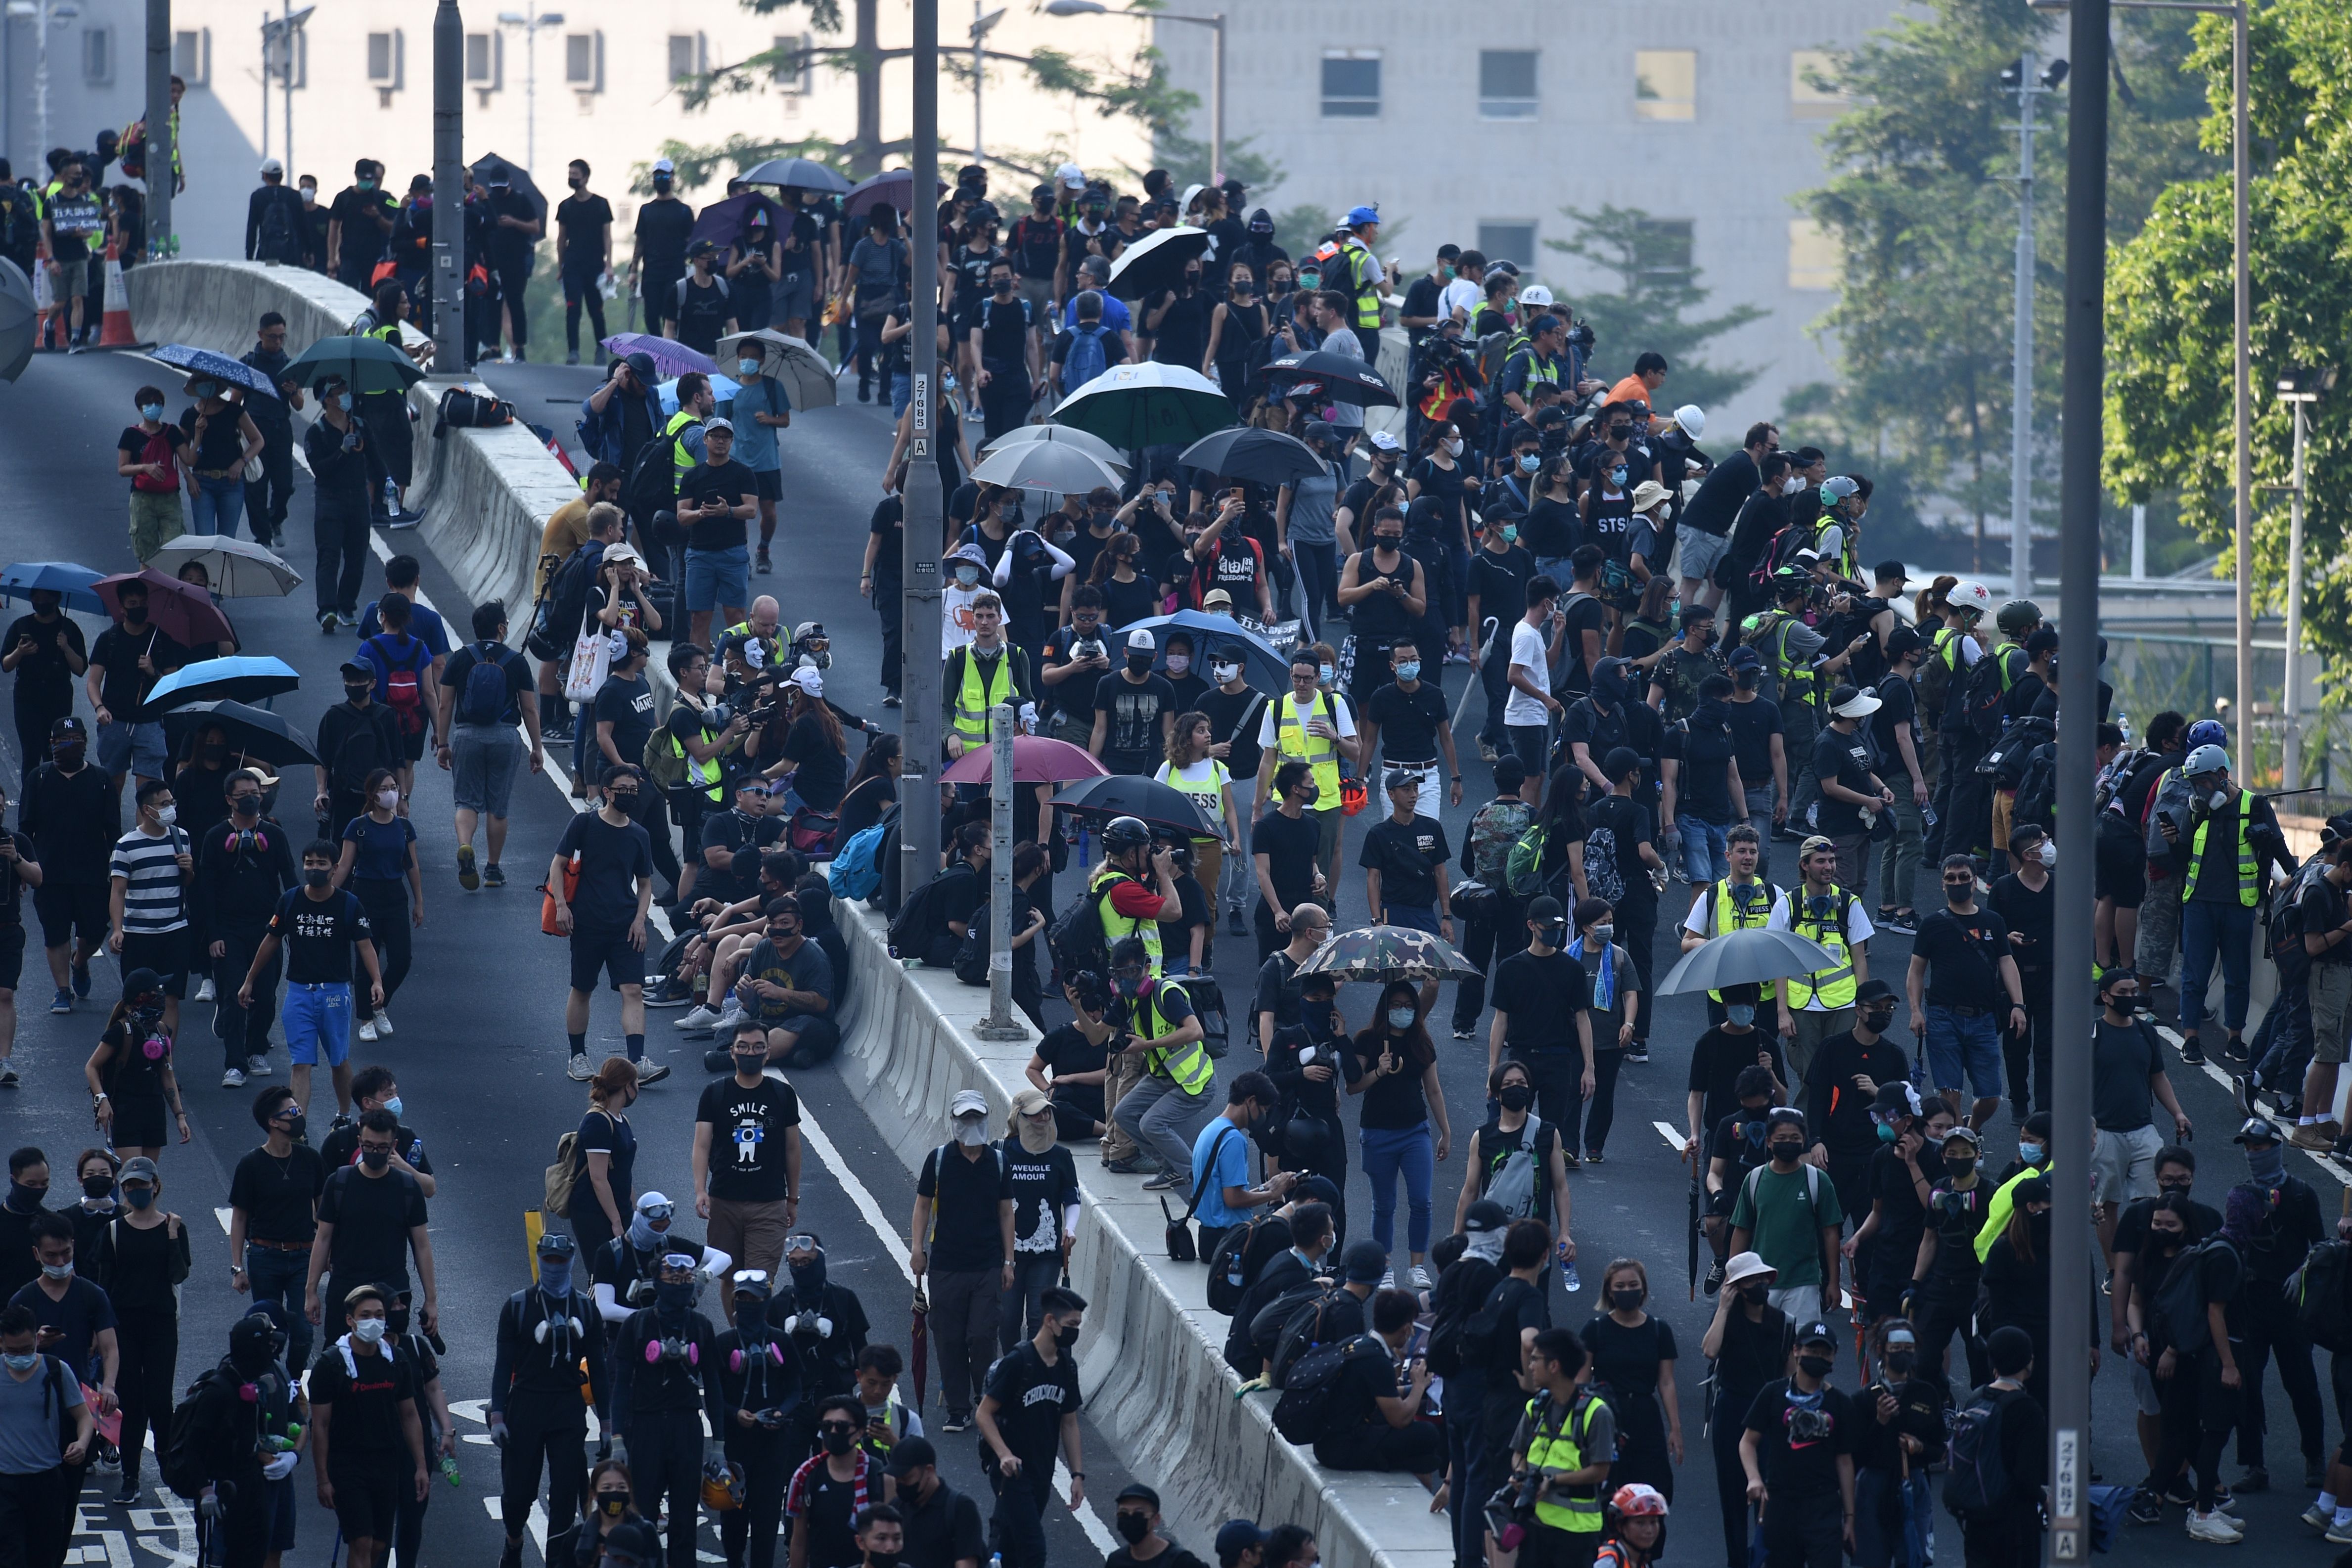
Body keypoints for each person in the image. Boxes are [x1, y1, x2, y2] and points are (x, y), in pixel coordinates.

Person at [240, 837, 381, 1119]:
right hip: (299, 993)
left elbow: (365, 944)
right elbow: (271, 940)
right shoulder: (290, 900)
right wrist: (250, 979)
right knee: (300, 1063)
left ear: (334, 868)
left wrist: (376, 981)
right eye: (309, 863)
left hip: (334, 994)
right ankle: (298, 1122)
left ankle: (343, 1115)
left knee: (338, 1061)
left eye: (321, 863)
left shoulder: (349, 904)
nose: (314, 868)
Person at [491, 1231, 608, 1568]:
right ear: (540, 1260)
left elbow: (599, 1371)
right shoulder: (517, 1306)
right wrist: (498, 1415)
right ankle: (514, 1541)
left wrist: (606, 1424)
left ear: (571, 1261)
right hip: (525, 1406)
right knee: (517, 1494)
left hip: (567, 1407)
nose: (555, 1266)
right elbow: (503, 1366)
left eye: (561, 1260)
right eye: (549, 1260)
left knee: (564, 1494)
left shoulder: (586, 1309)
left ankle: (556, 1562)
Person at [910, 1091, 1016, 1434]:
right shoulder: (939, 1160)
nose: (971, 1124)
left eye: (976, 1118)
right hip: (946, 1264)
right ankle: (958, 1407)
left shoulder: (998, 1162)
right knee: (949, 1337)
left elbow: (1005, 1212)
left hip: (987, 1263)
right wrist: (916, 1248)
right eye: (965, 1118)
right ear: (954, 1121)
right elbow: (923, 1205)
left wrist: (1009, 1260)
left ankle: (985, 1398)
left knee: (983, 1334)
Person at [611, 1251, 724, 1568]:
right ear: (657, 1285)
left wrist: (719, 1445)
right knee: (643, 1515)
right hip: (645, 1428)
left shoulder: (701, 1326)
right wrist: (618, 1439)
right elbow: (620, 1387)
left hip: (687, 1427)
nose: (681, 1286)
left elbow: (714, 1388)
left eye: (687, 1280)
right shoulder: (637, 1324)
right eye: (674, 1280)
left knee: (685, 1518)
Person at [85, 1155, 185, 1502]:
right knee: (129, 1401)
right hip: (123, 1325)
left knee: (160, 1398)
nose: (136, 1190)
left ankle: (170, 1466)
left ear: (156, 1185)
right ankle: (130, 1475)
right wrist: (99, 1331)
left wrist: (172, 1236)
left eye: (142, 1184)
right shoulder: (112, 1230)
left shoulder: (174, 1225)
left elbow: (178, 1274)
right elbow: (104, 1286)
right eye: (130, 1185)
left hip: (160, 1323)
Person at [308, 1284, 429, 1568]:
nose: (373, 1321)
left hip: (387, 1463)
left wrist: (421, 1466)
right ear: (350, 1321)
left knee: (378, 1544)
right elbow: (321, 1426)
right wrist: (323, 1478)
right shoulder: (331, 1366)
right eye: (365, 1315)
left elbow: (410, 1416)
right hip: (348, 1464)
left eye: (379, 1314)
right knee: (361, 1541)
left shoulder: (397, 1361)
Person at [552, 767, 660, 1081]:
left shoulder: (640, 835)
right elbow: (558, 865)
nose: (630, 794)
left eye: (634, 789)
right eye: (623, 788)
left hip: (625, 926)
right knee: (582, 989)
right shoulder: (584, 824)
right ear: (608, 792)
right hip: (587, 923)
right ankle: (577, 1057)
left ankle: (637, 1062)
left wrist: (641, 921)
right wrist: (562, 906)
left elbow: (645, 884)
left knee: (633, 989)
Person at [1906, 854, 2028, 1130]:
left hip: (1984, 1019)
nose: (1957, 883)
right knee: (1950, 1094)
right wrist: (1915, 1012)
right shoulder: (1931, 925)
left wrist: (2019, 1006)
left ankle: (1970, 1134)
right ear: (1942, 885)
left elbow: (2006, 963)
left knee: (1991, 1096)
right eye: (1951, 878)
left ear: (1975, 883)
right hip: (1942, 1017)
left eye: (1963, 877)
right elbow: (1916, 971)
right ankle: (1961, 1145)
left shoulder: (1993, 922)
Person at [693, 1020, 805, 1316]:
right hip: (724, 1203)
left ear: (768, 1054)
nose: (750, 1053)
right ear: (732, 1052)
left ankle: (757, 1339)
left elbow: (792, 1149)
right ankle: (738, 1344)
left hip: (769, 1204)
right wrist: (700, 1190)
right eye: (743, 1047)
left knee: (759, 1282)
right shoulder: (715, 1093)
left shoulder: (782, 1095)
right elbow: (702, 1145)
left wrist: (792, 1199)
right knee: (729, 1277)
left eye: (757, 1048)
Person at [195, 768, 294, 1085]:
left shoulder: (275, 835)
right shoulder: (214, 838)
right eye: (243, 796)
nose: (251, 799)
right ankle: (235, 1063)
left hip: (268, 928)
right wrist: (213, 935)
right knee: (235, 995)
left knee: (265, 995)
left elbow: (290, 880)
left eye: (256, 793)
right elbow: (206, 891)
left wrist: (295, 921)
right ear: (229, 800)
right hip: (229, 928)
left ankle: (256, 1048)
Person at [1766, 836, 1875, 1124]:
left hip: (1843, 1006)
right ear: (1805, 865)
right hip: (1802, 1008)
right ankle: (1807, 1135)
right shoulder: (1787, 905)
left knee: (1843, 1071)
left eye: (1832, 861)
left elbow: (1860, 958)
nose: (1829, 867)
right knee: (1810, 1075)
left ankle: (1838, 1129)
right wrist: (1782, 1011)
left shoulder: (1849, 903)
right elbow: (1779, 960)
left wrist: (1862, 1007)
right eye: (1821, 862)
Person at [435, 599, 540, 890]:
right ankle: (493, 870)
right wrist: (537, 747)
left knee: (467, 801)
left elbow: (445, 705)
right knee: (498, 806)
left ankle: (466, 846)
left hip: (468, 735)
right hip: (505, 736)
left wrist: (443, 743)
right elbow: (530, 709)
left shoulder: (459, 657)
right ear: (502, 628)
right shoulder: (516, 661)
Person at [305, 1108, 436, 1337]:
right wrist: (311, 1291)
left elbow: (422, 1245)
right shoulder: (338, 1183)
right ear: (359, 1142)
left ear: (394, 1145)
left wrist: (431, 1301)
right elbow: (323, 1237)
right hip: (345, 1288)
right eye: (368, 1146)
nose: (375, 1152)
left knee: (392, 1360)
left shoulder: (407, 1187)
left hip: (393, 1291)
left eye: (382, 1148)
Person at [1737, 1318, 1856, 1568]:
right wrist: (1754, 1478)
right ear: (1796, 1350)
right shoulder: (1773, 1394)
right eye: (1812, 1350)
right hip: (1780, 1504)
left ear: (1834, 1357)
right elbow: (1748, 1442)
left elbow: (1845, 1462)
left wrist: (1850, 1518)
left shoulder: (1841, 1405)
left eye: (1825, 1352)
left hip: (1823, 1507)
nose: (1818, 1357)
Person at [1106, 936, 1219, 1194]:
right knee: (1123, 1113)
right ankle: (1169, 1169)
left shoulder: (1168, 994)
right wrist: (1079, 1005)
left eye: (1131, 972)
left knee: (1151, 1124)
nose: (1125, 980)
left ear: (1146, 969)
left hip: (1195, 1081)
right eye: (1118, 974)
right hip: (1164, 1078)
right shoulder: (1130, 999)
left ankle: (1200, 1181)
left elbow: (1196, 1032)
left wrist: (1146, 1045)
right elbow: (1096, 1034)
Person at [709, 1269, 802, 1568]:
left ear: (766, 1302)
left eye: (755, 1299)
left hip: (773, 1445)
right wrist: (735, 1414)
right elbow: (714, 1395)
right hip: (735, 1446)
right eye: (742, 1299)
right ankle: (735, 1561)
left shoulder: (782, 1342)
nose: (748, 1304)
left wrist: (782, 1412)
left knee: (766, 1514)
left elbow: (795, 1389)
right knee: (733, 1515)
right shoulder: (723, 1344)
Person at [1500, 1326, 1616, 1565]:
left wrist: (1552, 1482)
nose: (1530, 1366)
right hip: (1534, 1525)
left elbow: (1601, 1471)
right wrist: (1521, 1476)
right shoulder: (1536, 1406)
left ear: (1554, 1366)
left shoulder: (1596, 1413)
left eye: (1535, 1360)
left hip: (1576, 1534)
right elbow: (1518, 1452)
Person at [228, 1086, 324, 1367]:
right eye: (292, 1112)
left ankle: (294, 1384)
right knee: (271, 1330)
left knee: (304, 1330)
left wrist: (328, 1251)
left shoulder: (310, 1159)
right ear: (273, 1122)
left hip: (303, 1257)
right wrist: (238, 1267)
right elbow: (240, 1218)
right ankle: (274, 1386)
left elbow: (325, 1211)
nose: (299, 1116)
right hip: (264, 1257)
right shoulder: (251, 1165)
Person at [1487, 896, 1597, 1142]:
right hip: (1520, 1057)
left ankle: (1547, 1177)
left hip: (1558, 1059)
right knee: (1507, 1128)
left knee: (1552, 1134)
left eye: (1558, 927)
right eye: (1548, 927)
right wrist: (1493, 1069)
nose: (1554, 932)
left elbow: (1583, 1018)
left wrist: (1589, 1067)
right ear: (1531, 926)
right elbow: (1500, 1020)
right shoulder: (1509, 968)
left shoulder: (1573, 969)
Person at [1726, 1108, 1845, 1324]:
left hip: (1804, 1283)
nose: (1788, 1143)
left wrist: (1833, 1283)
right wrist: (1732, 1276)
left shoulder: (1818, 1181)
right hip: (1760, 1282)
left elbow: (1831, 1233)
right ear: (1769, 1142)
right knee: (1763, 1350)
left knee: (1801, 1351)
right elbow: (1742, 1231)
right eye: (1781, 1138)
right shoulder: (1754, 1180)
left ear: (1803, 1142)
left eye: (1795, 1138)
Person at [332, 767, 418, 1045]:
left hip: (395, 896)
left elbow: (411, 866)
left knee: (401, 959)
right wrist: (329, 895)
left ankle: (379, 1003)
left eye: (393, 787)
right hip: (365, 895)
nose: (390, 793)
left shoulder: (404, 828)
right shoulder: (358, 826)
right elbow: (345, 865)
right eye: (383, 789)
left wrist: (420, 901)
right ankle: (366, 1019)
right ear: (372, 794)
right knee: (365, 959)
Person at [1908, 1125, 1992, 1391]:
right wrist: (1915, 1282)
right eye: (1953, 1153)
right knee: (1923, 1362)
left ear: (1977, 1154)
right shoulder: (1939, 1190)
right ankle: (1938, 1409)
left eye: (1966, 1152)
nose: (1959, 1158)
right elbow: (1929, 1239)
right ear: (1943, 1157)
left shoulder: (1991, 1193)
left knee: (1982, 1363)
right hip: (1941, 1288)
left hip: (1976, 1292)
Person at [83, 969, 190, 1163]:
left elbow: (168, 1076)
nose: (161, 995)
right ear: (140, 999)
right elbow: (91, 1066)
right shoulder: (120, 1032)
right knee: (134, 1176)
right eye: (155, 991)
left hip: (154, 1111)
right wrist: (103, 1100)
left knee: (149, 1178)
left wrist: (180, 1116)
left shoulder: (161, 1030)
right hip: (126, 1111)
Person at [306, 376, 378, 629]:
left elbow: (376, 460)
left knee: (357, 556)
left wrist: (387, 483)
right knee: (329, 556)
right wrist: (342, 452)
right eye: (340, 393)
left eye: (347, 391)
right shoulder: (317, 433)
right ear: (328, 400)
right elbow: (320, 470)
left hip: (358, 499)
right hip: (330, 500)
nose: (346, 396)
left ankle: (347, 606)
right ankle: (327, 610)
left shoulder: (360, 426)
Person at [787, 1395, 887, 1568]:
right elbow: (799, 1541)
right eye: (827, 1426)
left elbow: (892, 1535)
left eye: (841, 1427)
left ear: (860, 1432)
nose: (833, 1432)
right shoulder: (805, 1476)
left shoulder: (879, 1475)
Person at [316, 658, 404, 837]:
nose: (353, 685)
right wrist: (321, 791)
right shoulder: (333, 716)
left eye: (359, 681)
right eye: (349, 681)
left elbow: (398, 759)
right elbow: (322, 759)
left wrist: (402, 798)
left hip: (377, 797)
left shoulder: (387, 716)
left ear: (372, 684)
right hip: (344, 795)